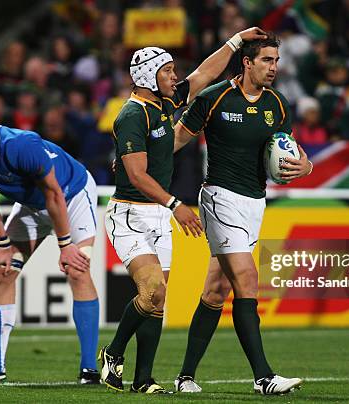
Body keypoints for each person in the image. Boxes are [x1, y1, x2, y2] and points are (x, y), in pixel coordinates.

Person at [100, 28, 268, 394]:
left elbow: (205, 74)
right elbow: (137, 175)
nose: (175, 77)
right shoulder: (131, 115)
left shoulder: (165, 102)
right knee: (153, 291)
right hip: (130, 214)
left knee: (158, 300)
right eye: (168, 71)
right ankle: (112, 353)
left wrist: (236, 41)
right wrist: (176, 205)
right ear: (147, 77)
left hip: (157, 213)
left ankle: (143, 379)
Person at [173, 33, 312, 395]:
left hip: (255, 202)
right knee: (247, 280)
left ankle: (185, 376)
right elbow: (175, 140)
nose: (274, 67)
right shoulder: (213, 97)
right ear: (247, 62)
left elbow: (291, 151)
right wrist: (135, 166)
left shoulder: (278, 104)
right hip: (219, 197)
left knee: (216, 291)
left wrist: (306, 166)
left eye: (277, 61)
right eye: (267, 60)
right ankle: (264, 376)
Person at [0, 114, 101, 384]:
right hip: (31, 205)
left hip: (72, 194)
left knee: (77, 269)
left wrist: (65, 246)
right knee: (2, 272)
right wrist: (4, 245)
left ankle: (89, 369)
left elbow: (54, 195)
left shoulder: (20, 145)